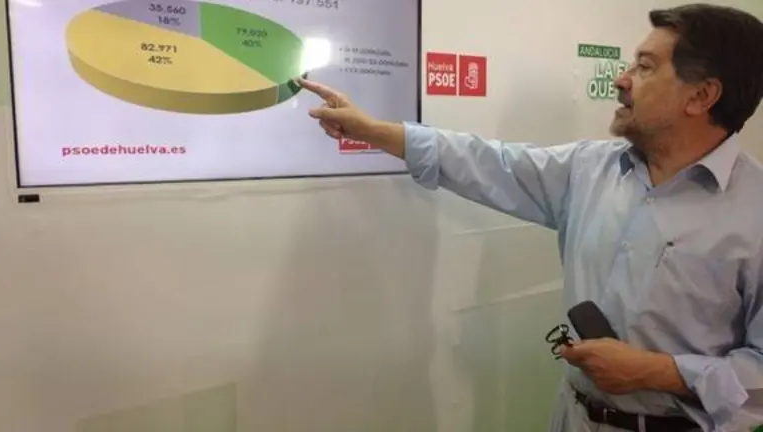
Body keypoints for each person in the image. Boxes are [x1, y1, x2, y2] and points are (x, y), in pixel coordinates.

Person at [298, 3, 763, 432]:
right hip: (573, 418)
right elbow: (489, 163)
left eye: (645, 67)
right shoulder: (590, 169)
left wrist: (660, 372)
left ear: (701, 95)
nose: (622, 80)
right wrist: (374, 131)